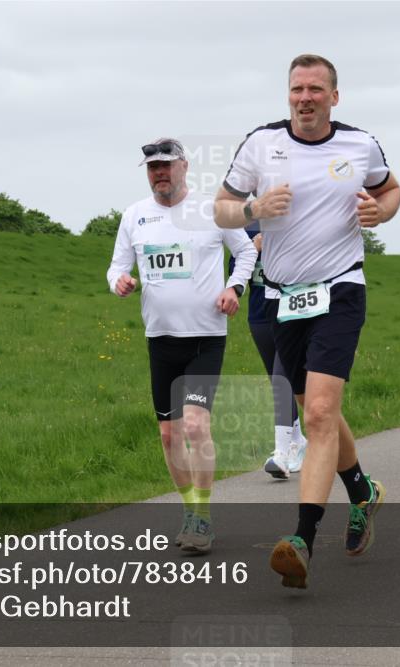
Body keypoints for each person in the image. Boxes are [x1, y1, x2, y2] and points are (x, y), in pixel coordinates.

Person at [214, 55, 400, 588]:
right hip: (283, 297)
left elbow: (391, 189)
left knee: (319, 413)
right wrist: (253, 208)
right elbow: (220, 210)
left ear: (334, 98)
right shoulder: (260, 144)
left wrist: (381, 212)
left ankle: (301, 538)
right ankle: (361, 490)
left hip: (341, 288)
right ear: (288, 95)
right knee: (313, 409)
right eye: (297, 89)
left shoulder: (359, 144)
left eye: (316, 89)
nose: (305, 98)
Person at [107, 138, 257, 553]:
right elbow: (117, 265)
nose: (159, 173)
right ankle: (190, 510)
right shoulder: (135, 216)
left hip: (205, 338)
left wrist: (234, 287)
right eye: (152, 167)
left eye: (166, 165)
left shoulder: (212, 211)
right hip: (161, 339)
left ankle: (204, 519)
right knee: (170, 434)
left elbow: (245, 253)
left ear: (184, 167)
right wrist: (119, 281)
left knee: (195, 424)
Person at [230, 227, 308, 479]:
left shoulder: (297, 220)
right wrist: (253, 249)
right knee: (279, 382)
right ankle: (298, 440)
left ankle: (282, 453)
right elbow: (235, 270)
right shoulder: (245, 229)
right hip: (259, 315)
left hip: (291, 309)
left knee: (280, 379)